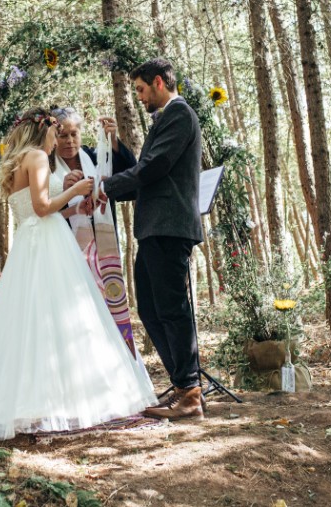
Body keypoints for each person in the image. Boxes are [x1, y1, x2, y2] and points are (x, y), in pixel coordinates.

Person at [0, 108, 156, 440]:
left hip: (31, 241)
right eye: (56, 134)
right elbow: (41, 208)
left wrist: (73, 209)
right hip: (46, 244)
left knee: (32, 320)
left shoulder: (21, 158)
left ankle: (39, 397)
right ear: (44, 133)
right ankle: (64, 398)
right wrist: (75, 193)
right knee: (66, 317)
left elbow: (39, 210)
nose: (58, 142)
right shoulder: (36, 156)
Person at [99, 59, 204, 421]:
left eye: (142, 90)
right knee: (150, 309)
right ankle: (182, 386)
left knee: (172, 308)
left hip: (169, 226)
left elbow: (154, 168)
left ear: (159, 82)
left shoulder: (180, 114)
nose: (140, 98)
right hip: (154, 227)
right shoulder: (166, 119)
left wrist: (105, 187)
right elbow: (147, 174)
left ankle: (190, 392)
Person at [51, 108, 139, 357]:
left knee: (106, 306)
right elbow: (41, 207)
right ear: (52, 136)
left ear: (81, 134)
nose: (69, 141)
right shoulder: (46, 166)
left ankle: (113, 357)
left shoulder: (95, 156)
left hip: (103, 245)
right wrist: (64, 191)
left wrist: (114, 142)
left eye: (73, 134)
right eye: (62, 135)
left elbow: (132, 183)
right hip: (66, 247)